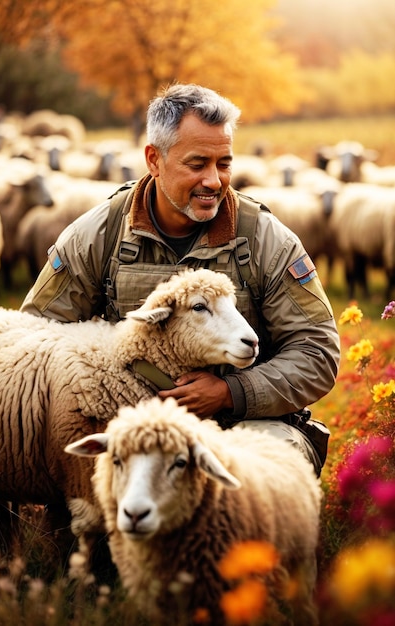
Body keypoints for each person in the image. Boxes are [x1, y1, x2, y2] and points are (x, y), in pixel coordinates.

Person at [21, 83, 340, 476]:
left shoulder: (264, 240)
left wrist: (230, 393)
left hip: (242, 427)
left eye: (223, 164)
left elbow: (317, 351)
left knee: (263, 475)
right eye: (197, 164)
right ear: (154, 159)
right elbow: (36, 338)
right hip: (125, 425)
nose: (214, 180)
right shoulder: (98, 235)